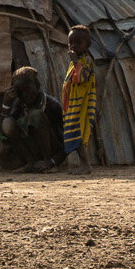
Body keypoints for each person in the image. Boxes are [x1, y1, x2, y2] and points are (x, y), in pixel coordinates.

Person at [0, 66, 65, 172]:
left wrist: (52, 161)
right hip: (31, 151)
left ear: (37, 86)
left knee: (35, 115)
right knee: (8, 123)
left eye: (28, 89)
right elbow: (3, 134)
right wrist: (6, 105)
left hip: (52, 152)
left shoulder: (52, 105)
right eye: (20, 91)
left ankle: (47, 163)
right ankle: (30, 162)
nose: (25, 95)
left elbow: (67, 141)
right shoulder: (19, 104)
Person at [59, 25, 99, 174]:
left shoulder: (86, 60)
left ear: (87, 45)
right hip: (73, 104)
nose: (73, 46)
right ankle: (84, 164)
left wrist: (76, 62)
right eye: (71, 42)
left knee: (78, 132)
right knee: (73, 132)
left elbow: (82, 78)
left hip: (82, 104)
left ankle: (86, 165)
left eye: (78, 42)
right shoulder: (76, 61)